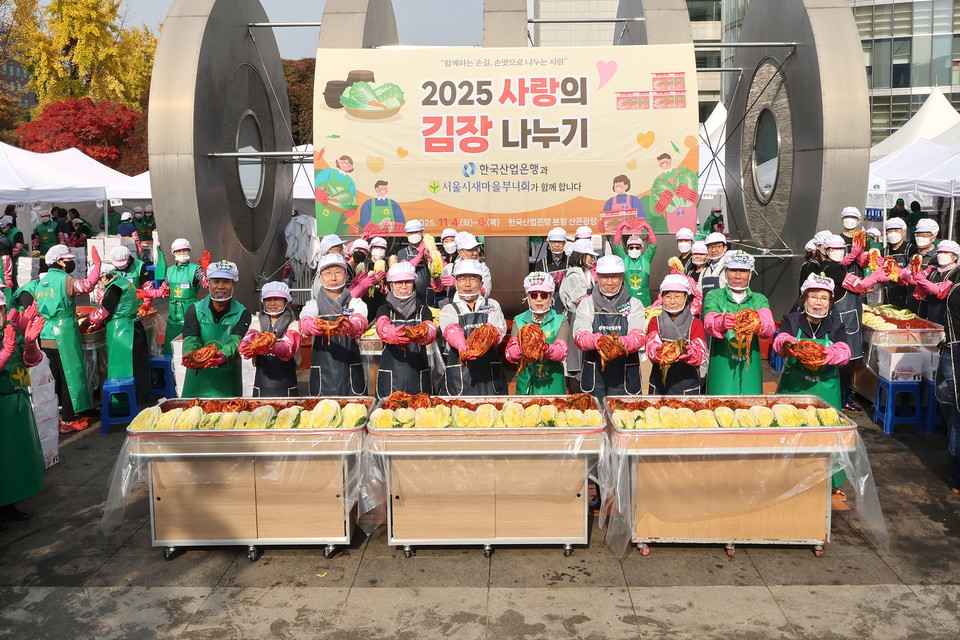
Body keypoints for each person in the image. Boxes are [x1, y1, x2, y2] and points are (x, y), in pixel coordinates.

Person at [13, 245, 100, 432]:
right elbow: (86, 286)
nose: (70, 262)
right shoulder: (65, 280)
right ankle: (68, 421)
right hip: (64, 334)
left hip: (45, 335)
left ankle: (55, 416)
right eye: (68, 259)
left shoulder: (41, 282)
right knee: (70, 377)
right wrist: (97, 267)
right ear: (59, 261)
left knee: (53, 378)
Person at [0, 291, 45, 530]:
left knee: (15, 458)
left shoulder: (11, 331)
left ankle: (11, 503)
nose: (0, 314)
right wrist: (5, 353)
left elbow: (30, 361)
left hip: (17, 402)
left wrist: (29, 344)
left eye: (1, 309)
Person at [702, 250, 775, 395]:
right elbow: (709, 320)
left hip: (750, 370)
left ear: (750, 274)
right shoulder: (714, 296)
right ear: (725, 272)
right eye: (732, 270)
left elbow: (769, 327)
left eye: (743, 271)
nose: (737, 275)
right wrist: (721, 322)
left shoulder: (759, 299)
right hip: (721, 368)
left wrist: (758, 325)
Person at [573, 255, 646, 399]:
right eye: (605, 277)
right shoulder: (587, 304)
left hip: (625, 378)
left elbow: (638, 337)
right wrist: (598, 341)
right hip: (595, 377)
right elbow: (580, 336)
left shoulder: (634, 304)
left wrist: (619, 343)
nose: (610, 282)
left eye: (614, 277)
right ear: (597, 277)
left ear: (622, 277)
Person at [298, 254, 369, 396]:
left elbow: (360, 322)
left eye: (338, 272)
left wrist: (352, 326)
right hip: (322, 375)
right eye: (327, 273)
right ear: (320, 278)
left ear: (346, 276)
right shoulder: (313, 305)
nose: (333, 278)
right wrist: (309, 325)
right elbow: (305, 319)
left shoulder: (355, 303)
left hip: (350, 374)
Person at [180, 261, 251, 398]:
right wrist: (190, 354)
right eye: (216, 281)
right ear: (208, 283)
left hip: (227, 378)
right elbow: (190, 337)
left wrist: (223, 356)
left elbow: (236, 340)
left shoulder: (243, 313)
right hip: (197, 378)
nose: (220, 286)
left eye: (226, 282)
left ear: (234, 285)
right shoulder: (194, 309)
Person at [438, 259, 506, 395]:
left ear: (481, 283)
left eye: (473, 279)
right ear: (456, 283)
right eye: (462, 279)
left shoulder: (492, 305)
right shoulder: (448, 308)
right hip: (460, 374)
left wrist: (490, 336)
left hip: (489, 374)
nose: (467, 284)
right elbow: (451, 329)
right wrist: (462, 346)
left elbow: (499, 331)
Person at [86, 263, 151, 405]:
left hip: (122, 331)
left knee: (122, 367)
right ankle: (139, 399)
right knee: (137, 365)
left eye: (99, 280)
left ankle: (124, 403)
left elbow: (104, 310)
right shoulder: (123, 282)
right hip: (134, 326)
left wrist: (87, 322)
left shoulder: (114, 288)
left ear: (104, 277)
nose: (98, 284)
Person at [373, 262, 437, 396]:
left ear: (414, 284)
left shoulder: (423, 310)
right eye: (398, 283)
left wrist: (423, 334)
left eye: (408, 282)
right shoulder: (384, 309)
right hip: (391, 379)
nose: (403, 286)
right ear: (391, 285)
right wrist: (391, 333)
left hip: (418, 376)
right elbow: (381, 326)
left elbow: (431, 330)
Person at [504, 271, 569, 395]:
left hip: (553, 386)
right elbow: (510, 353)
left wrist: (545, 348)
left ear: (551, 296)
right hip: (526, 387)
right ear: (528, 297)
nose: (539, 299)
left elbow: (562, 352)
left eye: (544, 295)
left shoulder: (561, 320)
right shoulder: (518, 320)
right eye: (534, 295)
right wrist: (523, 348)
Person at [645, 274, 707, 395]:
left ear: (686, 297)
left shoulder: (696, 323)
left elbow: (701, 355)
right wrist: (661, 353)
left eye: (678, 296)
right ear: (662, 297)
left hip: (687, 385)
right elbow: (652, 348)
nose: (672, 301)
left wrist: (690, 353)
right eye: (668, 297)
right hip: (659, 386)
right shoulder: (655, 321)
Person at [239, 282, 302, 397]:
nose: (272, 303)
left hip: (287, 388)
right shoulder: (257, 324)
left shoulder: (294, 325)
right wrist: (245, 346)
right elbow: (250, 337)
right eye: (268, 299)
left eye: (277, 299)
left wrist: (270, 346)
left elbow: (288, 348)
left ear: (286, 301)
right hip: (261, 388)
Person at [559, 238, 598, 387]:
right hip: (575, 318)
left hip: (588, 316)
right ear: (580, 256)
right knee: (576, 356)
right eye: (589, 256)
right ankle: (577, 386)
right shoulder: (573, 275)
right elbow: (580, 299)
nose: (592, 259)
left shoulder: (586, 273)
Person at [162, 238, 209, 355]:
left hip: (190, 311)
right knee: (172, 343)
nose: (182, 253)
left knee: (190, 340)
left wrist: (207, 273)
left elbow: (207, 283)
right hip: (173, 313)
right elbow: (164, 290)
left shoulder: (195, 269)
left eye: (184, 250)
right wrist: (149, 293)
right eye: (178, 251)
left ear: (189, 251)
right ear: (173, 253)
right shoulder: (170, 271)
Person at [910, 240, 960, 327]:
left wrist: (921, 280)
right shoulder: (933, 270)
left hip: (945, 311)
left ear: (955, 257)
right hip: (930, 308)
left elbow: (941, 291)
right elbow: (919, 287)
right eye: (940, 252)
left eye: (946, 252)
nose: (941, 255)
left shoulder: (955, 272)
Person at [612, 219, 657, 305]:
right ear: (627, 249)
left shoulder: (645, 259)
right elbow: (616, 245)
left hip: (644, 302)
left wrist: (649, 229)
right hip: (627, 302)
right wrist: (620, 229)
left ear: (641, 248)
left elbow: (653, 245)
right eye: (631, 247)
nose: (634, 249)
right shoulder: (624, 259)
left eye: (637, 247)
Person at [315, 154, 357, 236]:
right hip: (321, 205)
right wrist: (317, 192)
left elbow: (352, 200)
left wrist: (351, 210)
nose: (345, 164)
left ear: (351, 167)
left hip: (336, 211)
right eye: (343, 162)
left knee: (331, 232)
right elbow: (316, 186)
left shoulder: (350, 181)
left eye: (347, 163)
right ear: (338, 162)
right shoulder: (328, 172)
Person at [881, 217, 916, 308]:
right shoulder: (883, 252)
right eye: (890, 231)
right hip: (888, 293)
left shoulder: (911, 249)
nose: (893, 233)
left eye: (896, 230)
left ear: (904, 232)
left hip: (907, 293)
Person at [698, 231, 728, 296]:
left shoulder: (729, 268)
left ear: (725, 248)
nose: (713, 250)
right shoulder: (704, 272)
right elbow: (699, 294)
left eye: (717, 246)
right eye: (710, 247)